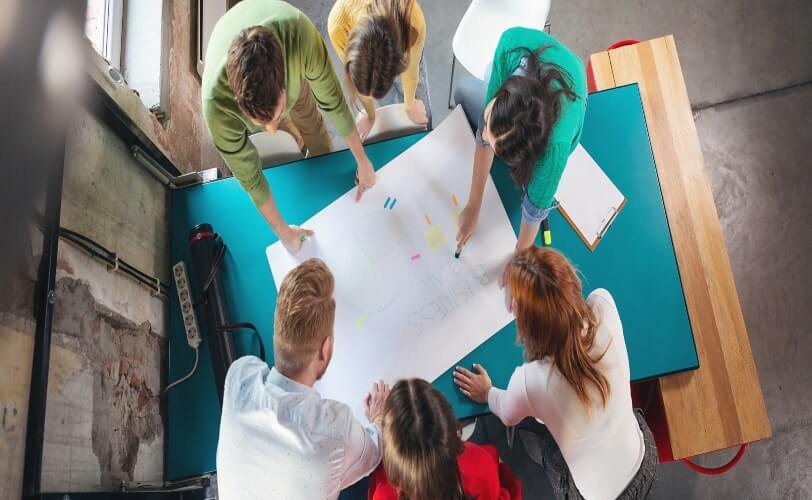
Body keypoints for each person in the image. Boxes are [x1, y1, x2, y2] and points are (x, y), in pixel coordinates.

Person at [453, 248, 657, 500]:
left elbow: (507, 414)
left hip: (598, 496)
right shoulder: (602, 304)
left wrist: (486, 392)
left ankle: (547, 455)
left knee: (555, 456)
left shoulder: (532, 380)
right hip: (643, 460)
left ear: (527, 324)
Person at [202, 0, 378, 253]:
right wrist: (283, 233)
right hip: (252, 83)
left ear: (285, 84)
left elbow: (335, 105)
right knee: (283, 130)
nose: (271, 131)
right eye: (261, 123)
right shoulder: (216, 108)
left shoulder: (301, 38)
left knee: (309, 120)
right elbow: (251, 179)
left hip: (293, 67)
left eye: (274, 118)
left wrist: (362, 160)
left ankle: (313, 148)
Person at [216, 259, 390, 499]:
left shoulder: (240, 376)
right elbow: (376, 452)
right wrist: (379, 417)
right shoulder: (336, 429)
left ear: (277, 329)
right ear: (325, 349)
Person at [453, 27, 586, 252]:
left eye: (496, 145)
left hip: (575, 87)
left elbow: (534, 210)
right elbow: (485, 136)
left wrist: (519, 256)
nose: (484, 136)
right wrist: (473, 205)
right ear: (505, 93)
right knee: (466, 90)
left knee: (537, 183)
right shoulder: (509, 44)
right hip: (538, 62)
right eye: (489, 116)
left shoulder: (555, 149)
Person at [368, 378, 522, 500]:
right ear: (454, 430)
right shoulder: (480, 464)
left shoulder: (384, 494)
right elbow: (504, 486)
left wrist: (376, 423)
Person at [328, 0, 429, 139]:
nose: (371, 98)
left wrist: (410, 105)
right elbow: (363, 83)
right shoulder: (338, 26)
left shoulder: (413, 20)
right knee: (389, 110)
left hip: (407, 47)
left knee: (423, 116)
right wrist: (371, 115)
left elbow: (411, 69)